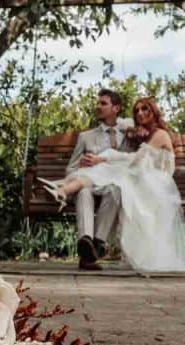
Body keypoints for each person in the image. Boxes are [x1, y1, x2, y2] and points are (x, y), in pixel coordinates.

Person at [39, 97, 185, 272]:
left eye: (145, 110)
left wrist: (104, 158)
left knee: (110, 173)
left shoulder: (159, 135)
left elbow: (137, 159)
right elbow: (123, 126)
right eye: (137, 111)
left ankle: (62, 189)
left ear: (154, 112)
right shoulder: (133, 132)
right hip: (139, 177)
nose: (140, 113)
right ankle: (62, 190)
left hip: (154, 184)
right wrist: (134, 131)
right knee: (102, 175)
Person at [64, 89, 135, 270]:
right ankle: (86, 240)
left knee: (115, 189)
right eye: (98, 103)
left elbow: (136, 161)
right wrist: (80, 168)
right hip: (89, 183)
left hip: (114, 185)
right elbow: (70, 168)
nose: (98, 107)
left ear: (116, 108)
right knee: (84, 191)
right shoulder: (86, 136)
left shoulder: (128, 135)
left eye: (103, 103)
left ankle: (97, 244)